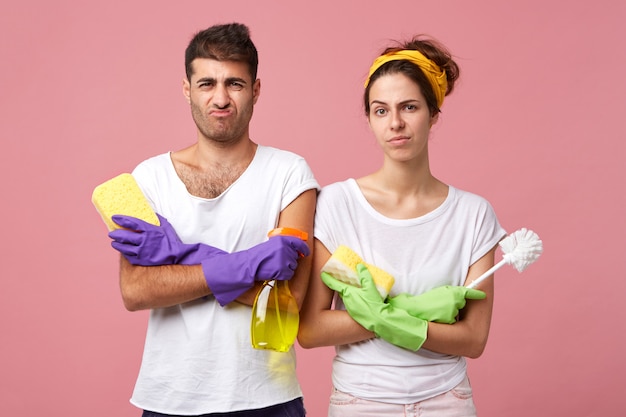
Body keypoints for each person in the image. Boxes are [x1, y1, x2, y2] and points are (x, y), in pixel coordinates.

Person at [107, 23, 318, 416]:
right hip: (169, 398)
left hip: (267, 398)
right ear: (187, 89)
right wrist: (250, 264)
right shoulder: (149, 178)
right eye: (206, 83)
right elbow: (135, 290)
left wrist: (177, 255)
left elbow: (288, 304)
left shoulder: (291, 174)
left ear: (255, 90)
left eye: (235, 84)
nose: (220, 98)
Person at [297, 34, 506, 416]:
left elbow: (473, 339)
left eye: (409, 107)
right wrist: (402, 315)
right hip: (359, 402)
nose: (395, 123)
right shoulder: (336, 205)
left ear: (433, 113)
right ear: (370, 119)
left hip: (447, 402)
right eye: (380, 110)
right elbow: (311, 329)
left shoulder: (473, 215)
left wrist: (382, 313)